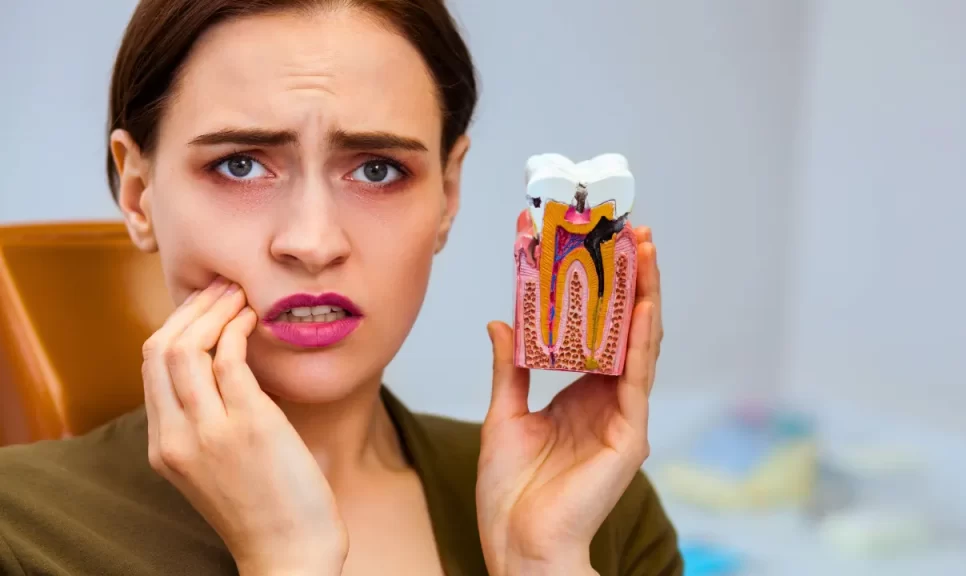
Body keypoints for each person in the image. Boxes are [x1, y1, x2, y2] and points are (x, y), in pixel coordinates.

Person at [0, 0, 681, 574]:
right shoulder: (20, 532)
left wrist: (544, 561)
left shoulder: (594, 506)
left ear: (448, 194)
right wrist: (287, 558)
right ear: (139, 193)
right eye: (240, 165)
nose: (314, 242)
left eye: (378, 170)